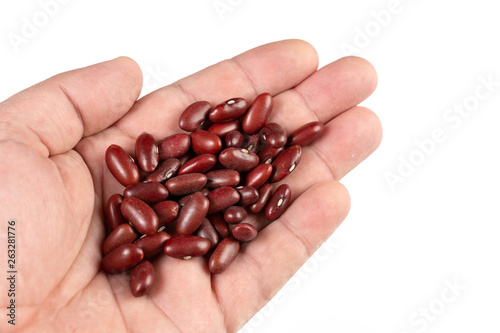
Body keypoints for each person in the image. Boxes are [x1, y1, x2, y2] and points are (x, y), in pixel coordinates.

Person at [0, 39, 381, 332]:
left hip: (217, 188)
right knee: (185, 196)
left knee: (210, 190)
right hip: (193, 195)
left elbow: (186, 193)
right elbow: (169, 197)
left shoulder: (222, 181)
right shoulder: (157, 198)